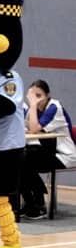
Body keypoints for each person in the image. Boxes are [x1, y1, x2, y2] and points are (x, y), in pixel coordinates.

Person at [19, 80, 76, 218]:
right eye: (33, 96)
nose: (36, 100)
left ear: (48, 95)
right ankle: (31, 203)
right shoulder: (31, 110)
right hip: (47, 151)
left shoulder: (54, 108)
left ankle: (38, 204)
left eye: (39, 96)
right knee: (18, 160)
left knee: (25, 162)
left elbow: (33, 128)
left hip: (64, 155)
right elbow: (25, 128)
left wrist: (33, 105)